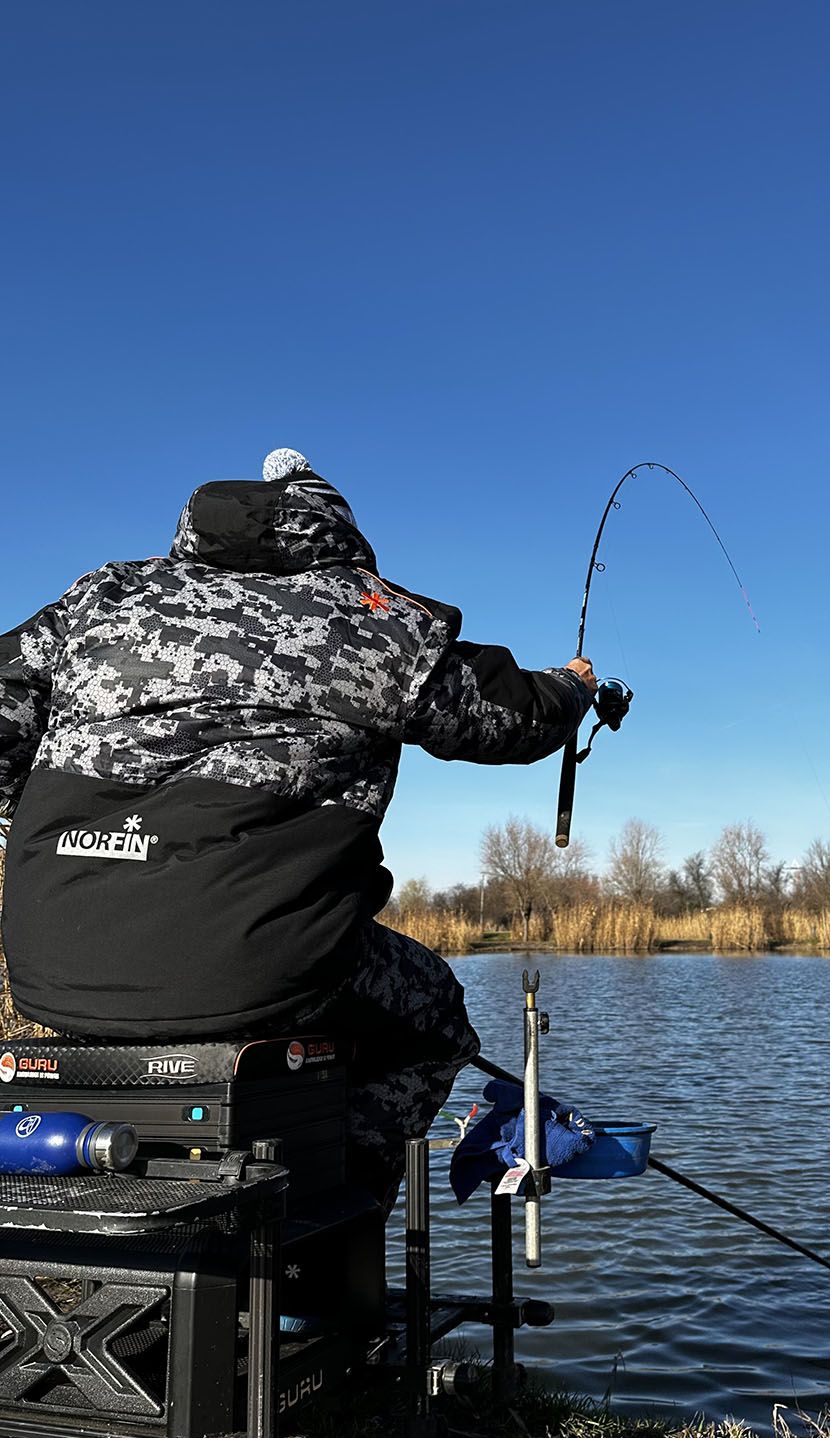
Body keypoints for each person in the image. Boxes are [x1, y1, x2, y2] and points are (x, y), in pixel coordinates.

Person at [0, 447, 596, 1212]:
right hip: (256, 963)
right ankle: (323, 1250)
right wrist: (576, 688)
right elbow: (513, 719)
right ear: (337, 530)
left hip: (53, 968)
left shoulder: (104, 597)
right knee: (436, 1021)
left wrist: (47, 827)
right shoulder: (367, 616)